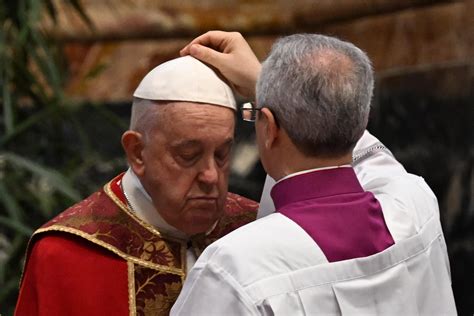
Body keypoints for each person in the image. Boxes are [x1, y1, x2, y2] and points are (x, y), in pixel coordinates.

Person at [171, 31, 457, 314]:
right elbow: (373, 155)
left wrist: (270, 91)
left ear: (269, 128)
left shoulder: (233, 270)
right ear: (363, 120)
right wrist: (269, 91)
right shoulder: (416, 205)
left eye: (255, 114)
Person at [14, 55, 259, 316]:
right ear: (137, 152)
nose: (211, 176)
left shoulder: (254, 229)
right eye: (188, 155)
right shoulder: (66, 253)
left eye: (222, 154)